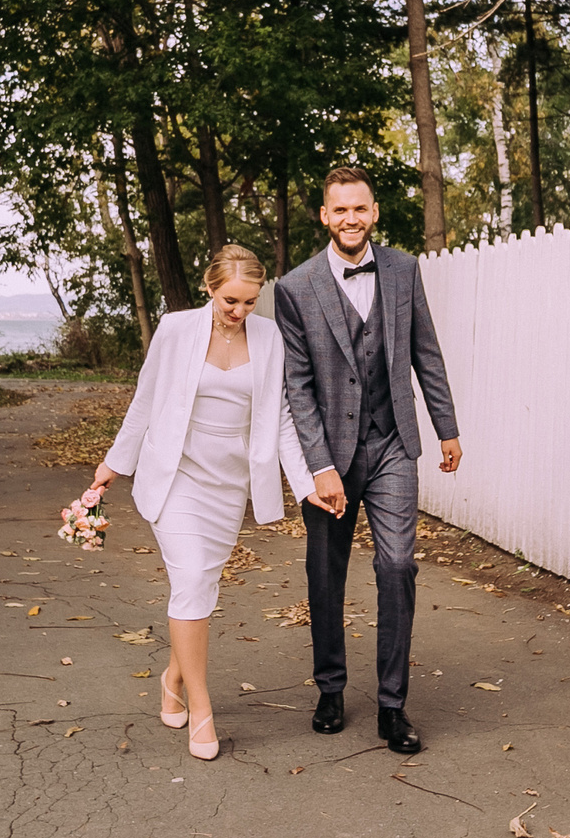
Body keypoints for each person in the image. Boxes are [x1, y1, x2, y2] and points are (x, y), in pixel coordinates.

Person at [93, 244, 315, 760]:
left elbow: (280, 418)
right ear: (209, 288)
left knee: (201, 589)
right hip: (177, 480)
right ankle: (202, 705)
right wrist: (112, 465)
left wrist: (305, 486)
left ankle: (172, 676)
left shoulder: (270, 337)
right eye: (230, 300)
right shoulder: (174, 330)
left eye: (250, 302)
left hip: (228, 484)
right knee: (191, 581)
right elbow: (145, 399)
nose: (239, 312)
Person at [272, 165, 461, 756]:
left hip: (392, 444)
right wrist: (318, 466)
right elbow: (297, 386)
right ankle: (330, 688)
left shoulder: (404, 270)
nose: (351, 219)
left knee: (398, 566)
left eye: (361, 209)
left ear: (374, 212)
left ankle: (391, 705)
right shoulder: (294, 287)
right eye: (340, 210)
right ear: (324, 216)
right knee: (325, 573)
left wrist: (447, 427)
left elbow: (424, 351)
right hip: (329, 454)